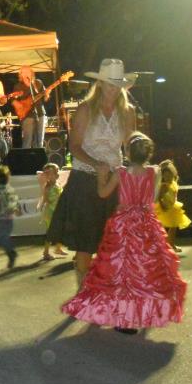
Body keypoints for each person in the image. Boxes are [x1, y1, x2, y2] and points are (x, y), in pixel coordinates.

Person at [61, 132, 186, 334]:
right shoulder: (154, 172)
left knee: (120, 270)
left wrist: (101, 178)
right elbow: (153, 199)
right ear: (148, 154)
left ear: (127, 152)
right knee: (146, 269)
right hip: (146, 225)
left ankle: (122, 316)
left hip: (124, 225)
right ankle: (144, 312)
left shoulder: (120, 172)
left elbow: (103, 194)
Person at [46, 58, 138, 289]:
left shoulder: (127, 112)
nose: (113, 89)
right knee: (85, 241)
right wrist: (96, 164)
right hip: (85, 179)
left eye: (117, 85)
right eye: (109, 84)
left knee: (115, 239)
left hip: (115, 180)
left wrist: (137, 163)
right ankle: (84, 290)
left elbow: (130, 146)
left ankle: (110, 289)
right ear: (100, 84)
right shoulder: (85, 109)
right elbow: (74, 146)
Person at [153, 159, 190, 254]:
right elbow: (159, 198)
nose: (167, 176)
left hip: (172, 206)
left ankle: (170, 244)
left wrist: (167, 164)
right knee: (168, 228)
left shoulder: (173, 182)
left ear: (173, 173)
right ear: (162, 176)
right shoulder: (164, 186)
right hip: (165, 208)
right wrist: (163, 206)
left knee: (173, 227)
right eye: (165, 175)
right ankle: (168, 245)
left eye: (169, 174)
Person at [37, 162, 68, 260]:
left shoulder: (57, 184)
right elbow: (46, 200)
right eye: (53, 173)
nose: (57, 174)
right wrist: (55, 200)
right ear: (47, 176)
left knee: (60, 230)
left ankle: (58, 248)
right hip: (51, 212)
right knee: (50, 232)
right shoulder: (48, 187)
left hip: (57, 211)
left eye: (57, 172)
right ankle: (46, 252)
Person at [11, 65, 46, 149]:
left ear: (31, 73)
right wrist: (18, 104)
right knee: (27, 140)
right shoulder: (18, 86)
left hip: (40, 113)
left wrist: (47, 95)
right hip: (27, 115)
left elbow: (45, 97)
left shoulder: (38, 83)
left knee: (39, 141)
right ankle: (26, 157)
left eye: (27, 72)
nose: (26, 74)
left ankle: (38, 156)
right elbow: (12, 100)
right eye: (23, 72)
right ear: (21, 75)